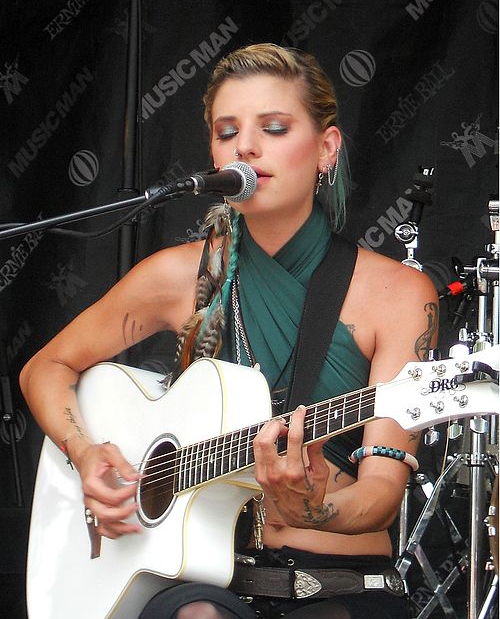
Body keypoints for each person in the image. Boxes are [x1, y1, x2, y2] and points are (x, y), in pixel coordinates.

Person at [20, 43, 439, 618]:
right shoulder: (176, 275)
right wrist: (87, 454)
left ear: (327, 147)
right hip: (203, 583)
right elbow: (45, 365)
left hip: (338, 588)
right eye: (226, 132)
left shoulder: (400, 296)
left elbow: (382, 496)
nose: (244, 146)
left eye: (273, 127)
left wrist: (310, 509)